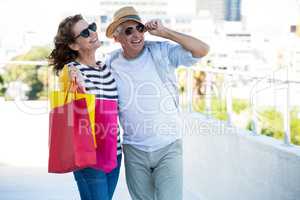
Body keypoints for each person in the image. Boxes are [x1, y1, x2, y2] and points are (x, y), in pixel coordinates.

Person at [105, 6, 209, 200]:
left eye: (140, 28)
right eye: (129, 31)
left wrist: (165, 32)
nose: (136, 35)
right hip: (134, 149)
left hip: (168, 146)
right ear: (116, 38)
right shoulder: (110, 64)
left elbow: (202, 50)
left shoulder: (161, 51)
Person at [48, 14, 122, 200]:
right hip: (88, 152)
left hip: (114, 150)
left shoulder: (105, 68)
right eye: (85, 32)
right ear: (74, 45)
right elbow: (69, 115)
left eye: (92, 27)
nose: (93, 33)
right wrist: (73, 82)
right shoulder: (71, 71)